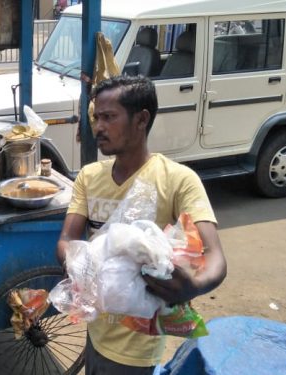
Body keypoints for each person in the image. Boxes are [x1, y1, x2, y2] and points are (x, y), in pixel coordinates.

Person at [56, 75, 227, 374]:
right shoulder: (88, 177)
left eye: (109, 117)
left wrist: (193, 286)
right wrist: (81, 270)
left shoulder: (177, 180)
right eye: (97, 118)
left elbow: (214, 256)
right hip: (96, 327)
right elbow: (67, 239)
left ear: (141, 119)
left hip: (138, 344)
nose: (98, 128)